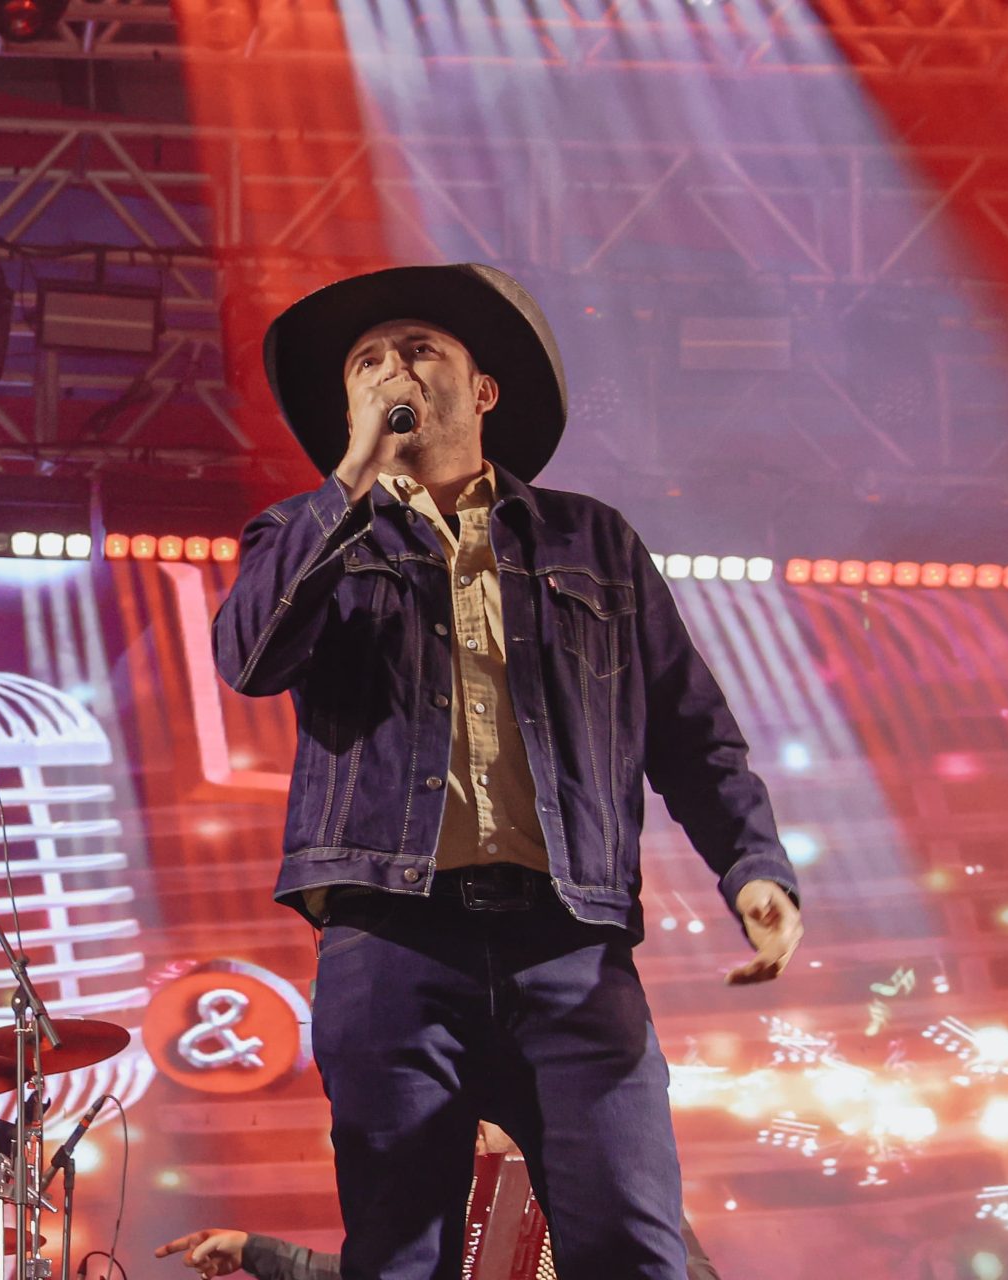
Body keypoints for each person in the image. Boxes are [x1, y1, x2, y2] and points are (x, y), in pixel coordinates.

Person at [210, 264, 802, 1279]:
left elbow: (692, 730)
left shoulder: (591, 541)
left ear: (483, 389)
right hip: (392, 933)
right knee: (403, 1254)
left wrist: (753, 864)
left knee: (632, 1245)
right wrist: (350, 477)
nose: (392, 367)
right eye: (367, 362)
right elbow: (250, 658)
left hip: (566, 939)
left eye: (419, 349)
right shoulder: (306, 536)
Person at [153, 1127, 723, 1280]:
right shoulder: (451, 1200)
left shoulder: (609, 1183)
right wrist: (254, 1250)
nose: (472, 1135)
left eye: (483, 1121)